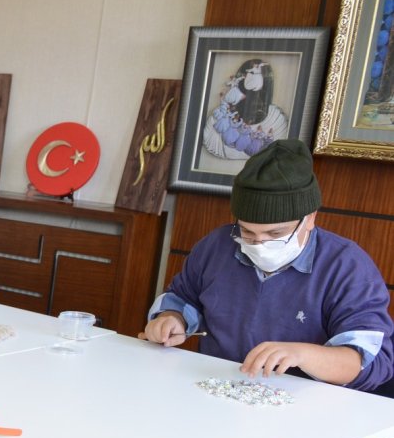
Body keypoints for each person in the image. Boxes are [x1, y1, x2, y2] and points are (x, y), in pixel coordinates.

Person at [141, 139, 394, 393]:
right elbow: (183, 298)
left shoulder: (346, 267)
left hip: (304, 402)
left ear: (310, 218)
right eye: (247, 232)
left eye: (275, 234)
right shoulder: (217, 245)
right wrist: (171, 319)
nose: (259, 244)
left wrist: (302, 354)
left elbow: (371, 362)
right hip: (215, 388)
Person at [202, 58, 289, 161]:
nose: (249, 77)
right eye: (248, 74)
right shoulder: (220, 115)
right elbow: (209, 142)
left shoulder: (276, 118)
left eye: (254, 73)